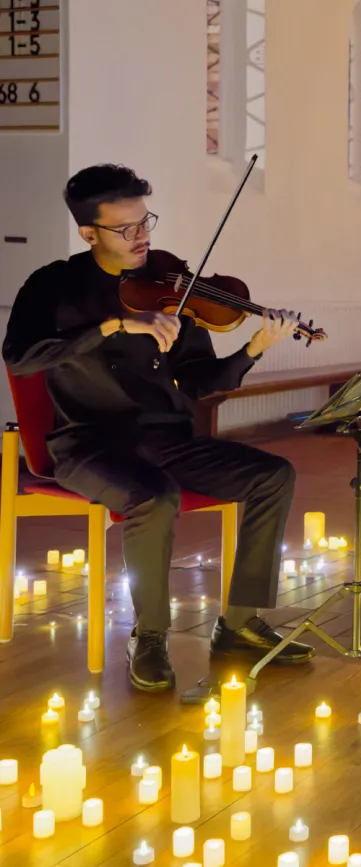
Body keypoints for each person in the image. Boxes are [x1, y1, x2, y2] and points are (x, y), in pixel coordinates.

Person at [2, 164, 315, 692]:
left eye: (146, 221)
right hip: (89, 444)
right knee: (155, 497)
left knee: (274, 475)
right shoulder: (52, 285)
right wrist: (113, 325)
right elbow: (22, 356)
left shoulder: (171, 284)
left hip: (169, 439)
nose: (142, 236)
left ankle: (238, 625)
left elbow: (197, 381)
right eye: (125, 228)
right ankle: (149, 637)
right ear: (88, 232)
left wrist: (252, 351)